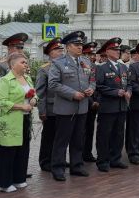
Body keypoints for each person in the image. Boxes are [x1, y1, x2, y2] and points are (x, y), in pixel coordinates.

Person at [48, 31, 96, 181]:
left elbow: (92, 80)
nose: (80, 47)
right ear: (68, 47)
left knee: (78, 139)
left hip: (82, 107)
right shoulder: (58, 63)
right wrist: (72, 93)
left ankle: (77, 166)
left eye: (81, 45)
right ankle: (58, 168)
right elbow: (53, 84)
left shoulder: (86, 62)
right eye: (76, 45)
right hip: (65, 108)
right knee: (62, 140)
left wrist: (91, 89)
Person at [0, 52, 36, 192]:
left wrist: (34, 100)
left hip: (25, 119)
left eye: (26, 62)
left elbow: (34, 93)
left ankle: (19, 178)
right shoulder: (5, 80)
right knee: (8, 151)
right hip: (10, 120)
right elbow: (2, 102)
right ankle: (4, 183)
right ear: (13, 65)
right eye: (22, 62)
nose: (25, 65)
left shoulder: (27, 78)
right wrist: (21, 106)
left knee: (23, 149)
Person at [94, 38, 131, 171]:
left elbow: (129, 84)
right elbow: (98, 86)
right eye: (115, 50)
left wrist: (129, 92)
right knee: (104, 135)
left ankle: (115, 159)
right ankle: (102, 161)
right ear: (107, 51)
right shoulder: (101, 68)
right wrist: (115, 92)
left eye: (118, 50)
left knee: (119, 134)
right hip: (108, 107)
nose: (118, 52)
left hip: (121, 107)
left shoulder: (122, 67)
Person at [35, 38, 65, 172]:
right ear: (49, 53)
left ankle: (58, 160)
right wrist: (42, 111)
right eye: (57, 50)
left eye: (61, 50)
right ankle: (46, 161)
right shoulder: (45, 70)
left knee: (61, 136)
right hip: (51, 108)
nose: (60, 52)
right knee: (49, 136)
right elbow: (40, 92)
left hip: (65, 108)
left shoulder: (65, 67)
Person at [81, 41, 99, 163]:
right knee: (81, 132)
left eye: (93, 54)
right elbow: (83, 86)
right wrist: (91, 102)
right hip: (84, 103)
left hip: (94, 105)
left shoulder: (96, 67)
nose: (92, 56)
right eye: (89, 54)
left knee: (90, 130)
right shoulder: (82, 67)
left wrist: (97, 101)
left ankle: (87, 153)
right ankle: (80, 155)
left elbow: (97, 86)